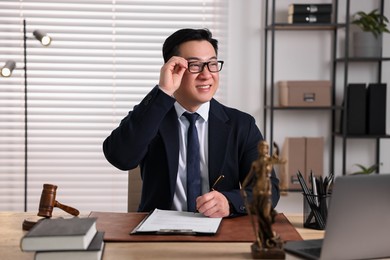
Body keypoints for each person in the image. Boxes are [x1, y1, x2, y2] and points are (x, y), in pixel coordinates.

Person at [103, 28, 280, 218]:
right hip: (158, 234)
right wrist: (163, 91)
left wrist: (230, 202)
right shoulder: (153, 117)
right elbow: (121, 158)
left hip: (220, 231)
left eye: (212, 64)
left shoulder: (241, 124)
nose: (206, 74)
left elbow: (269, 189)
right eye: (195, 65)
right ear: (173, 68)